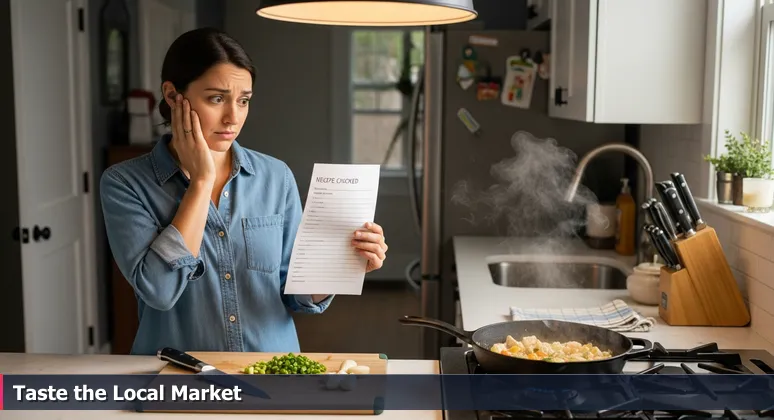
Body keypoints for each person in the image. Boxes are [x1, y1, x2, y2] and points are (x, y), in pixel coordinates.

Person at [100, 28, 388, 355]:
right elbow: (159, 291)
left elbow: (295, 294)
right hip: (177, 374)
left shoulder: (275, 177)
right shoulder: (125, 183)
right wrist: (201, 182)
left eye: (244, 101)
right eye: (216, 98)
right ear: (172, 95)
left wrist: (343, 265)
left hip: (270, 370)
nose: (232, 118)